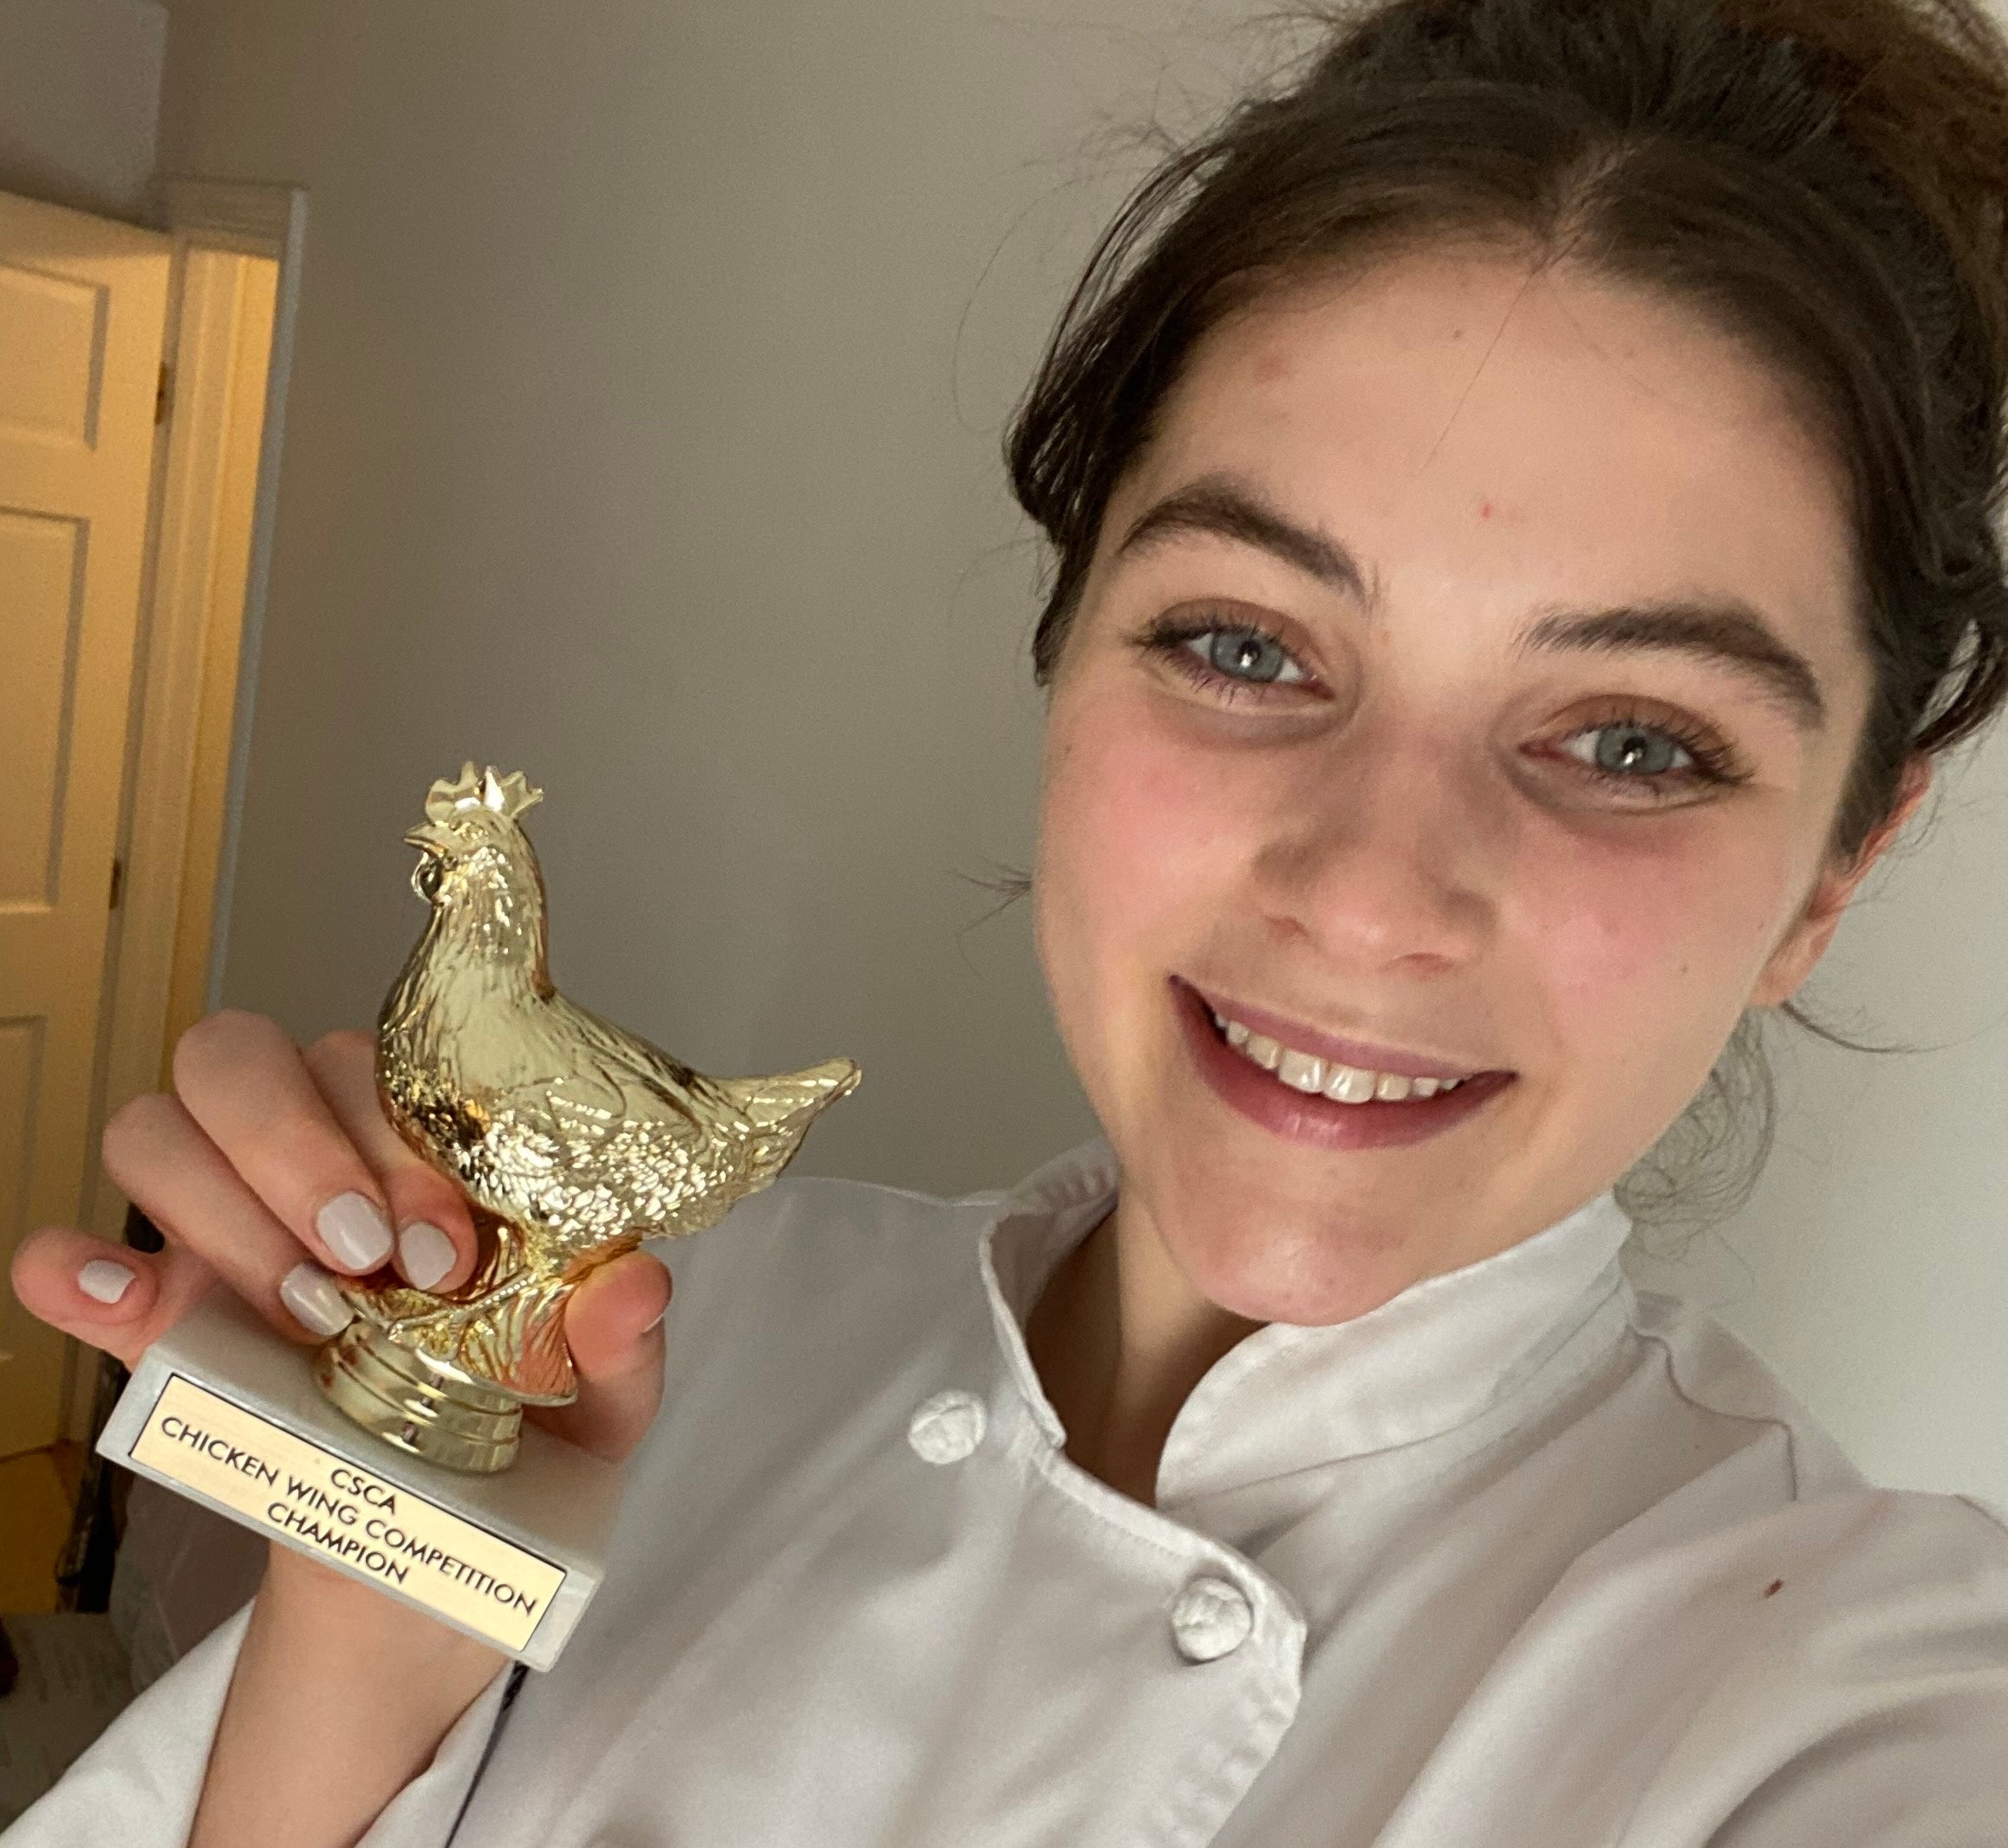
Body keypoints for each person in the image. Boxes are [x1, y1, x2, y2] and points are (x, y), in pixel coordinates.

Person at [11, 0, 2008, 1842]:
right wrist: (378, 1612)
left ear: (1830, 873)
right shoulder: (672, 1320)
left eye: (1637, 743)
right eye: (1244, 641)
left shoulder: (1846, 1707)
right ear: (1063, 661)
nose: (1372, 890)